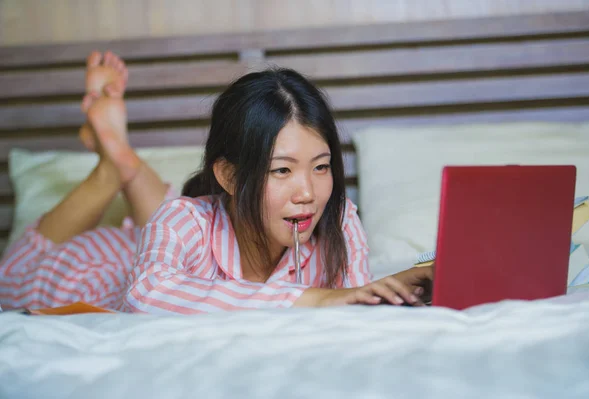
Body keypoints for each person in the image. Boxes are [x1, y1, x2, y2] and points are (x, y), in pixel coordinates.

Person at [123, 67, 433, 314]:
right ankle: (118, 161)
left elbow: (353, 308)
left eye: (321, 167)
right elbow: (145, 295)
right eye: (282, 170)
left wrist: (395, 288)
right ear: (229, 176)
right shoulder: (184, 221)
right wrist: (314, 300)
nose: (307, 194)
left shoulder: (338, 220)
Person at [0, 51, 174, 311]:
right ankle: (116, 159)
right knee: (175, 233)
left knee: (14, 277)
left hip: (87, 269)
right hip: (145, 255)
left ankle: (111, 167)